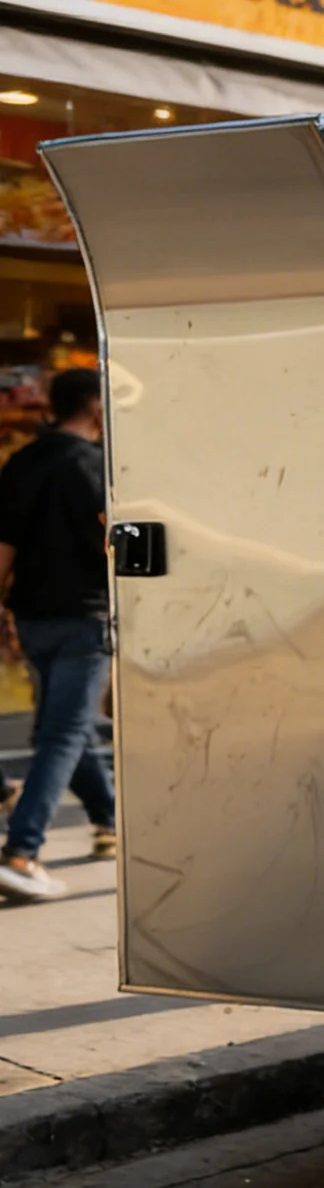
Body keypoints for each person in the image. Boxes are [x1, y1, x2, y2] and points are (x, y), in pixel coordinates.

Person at [0, 368, 114, 902]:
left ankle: (108, 819)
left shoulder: (23, 461)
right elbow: (116, 546)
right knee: (64, 733)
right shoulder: (95, 466)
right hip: (84, 619)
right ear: (95, 405)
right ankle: (21, 851)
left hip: (32, 618)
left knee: (65, 723)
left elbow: (5, 545)